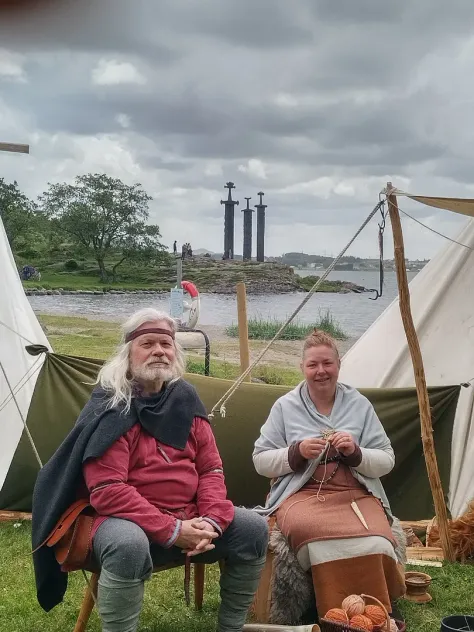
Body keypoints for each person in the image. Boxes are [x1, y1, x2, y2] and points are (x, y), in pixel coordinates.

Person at [31, 308, 268, 632]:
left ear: (175, 352)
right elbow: (108, 491)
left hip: (189, 516)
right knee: (127, 544)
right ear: (129, 353)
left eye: (166, 344)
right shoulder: (113, 405)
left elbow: (210, 469)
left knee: (253, 529)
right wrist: (173, 530)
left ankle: (231, 628)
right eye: (148, 343)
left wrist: (211, 521)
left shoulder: (186, 399)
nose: (159, 350)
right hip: (122, 522)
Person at [252, 329, 405, 616]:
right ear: (302, 368)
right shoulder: (285, 406)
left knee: (378, 536)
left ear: (338, 364)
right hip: (303, 494)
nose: (321, 371)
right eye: (313, 365)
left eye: (327, 363)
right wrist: (295, 452)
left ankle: (375, 609)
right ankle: (329, 609)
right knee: (313, 534)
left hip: (355, 493)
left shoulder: (359, 404)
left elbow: (386, 459)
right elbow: (260, 460)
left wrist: (355, 452)